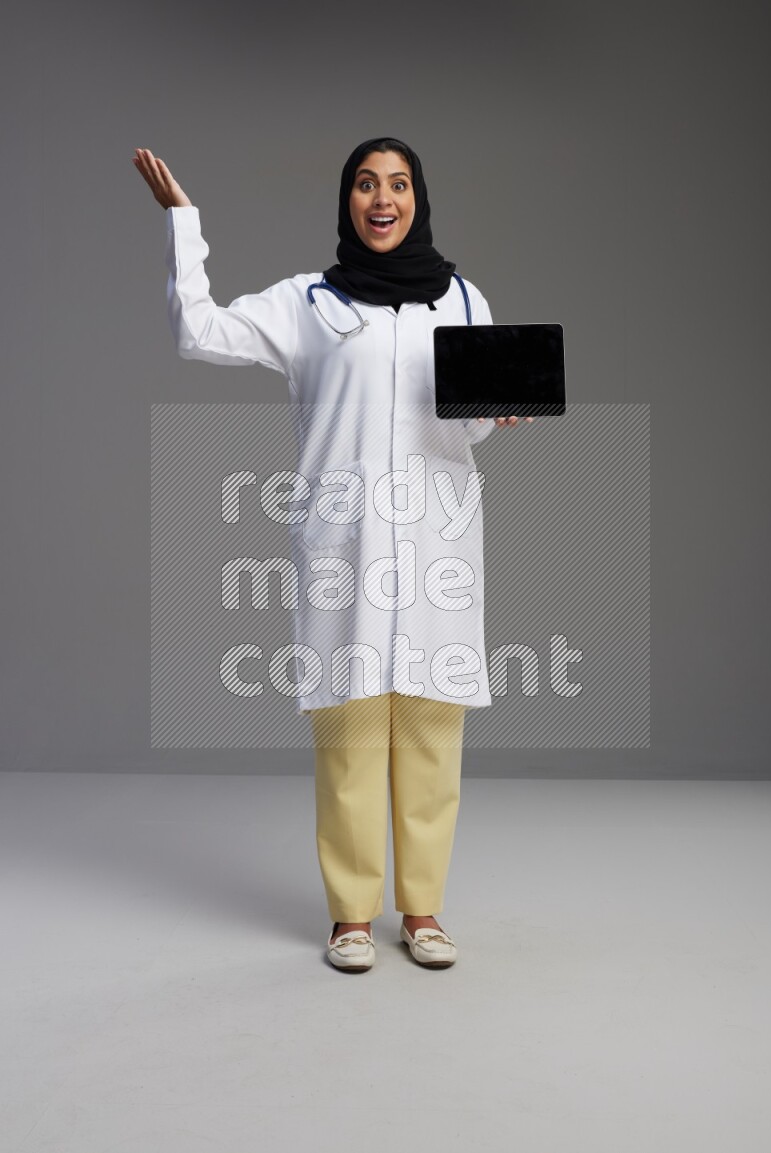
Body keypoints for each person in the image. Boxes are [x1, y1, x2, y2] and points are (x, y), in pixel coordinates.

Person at [133, 137, 532, 973]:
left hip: (435, 545)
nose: (383, 198)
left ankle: (422, 911)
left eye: (398, 184)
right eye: (366, 184)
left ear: (418, 198)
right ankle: (352, 915)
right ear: (348, 199)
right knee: (349, 734)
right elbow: (198, 331)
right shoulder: (308, 304)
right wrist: (183, 223)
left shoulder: (463, 300)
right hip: (343, 546)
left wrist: (498, 409)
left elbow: (465, 427)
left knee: (430, 733)